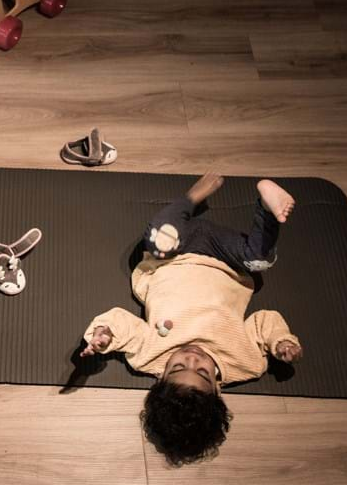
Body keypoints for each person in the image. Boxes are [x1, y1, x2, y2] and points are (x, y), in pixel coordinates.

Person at [79, 172, 304, 465]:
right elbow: (263, 322)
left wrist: (103, 335)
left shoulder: (148, 356)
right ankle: (267, 207)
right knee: (260, 259)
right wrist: (280, 342)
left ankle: (192, 198)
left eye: (178, 367)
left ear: (160, 375)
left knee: (157, 236)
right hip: (228, 260)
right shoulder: (246, 362)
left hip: (171, 255)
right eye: (202, 372)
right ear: (217, 387)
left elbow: (124, 325)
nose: (193, 358)